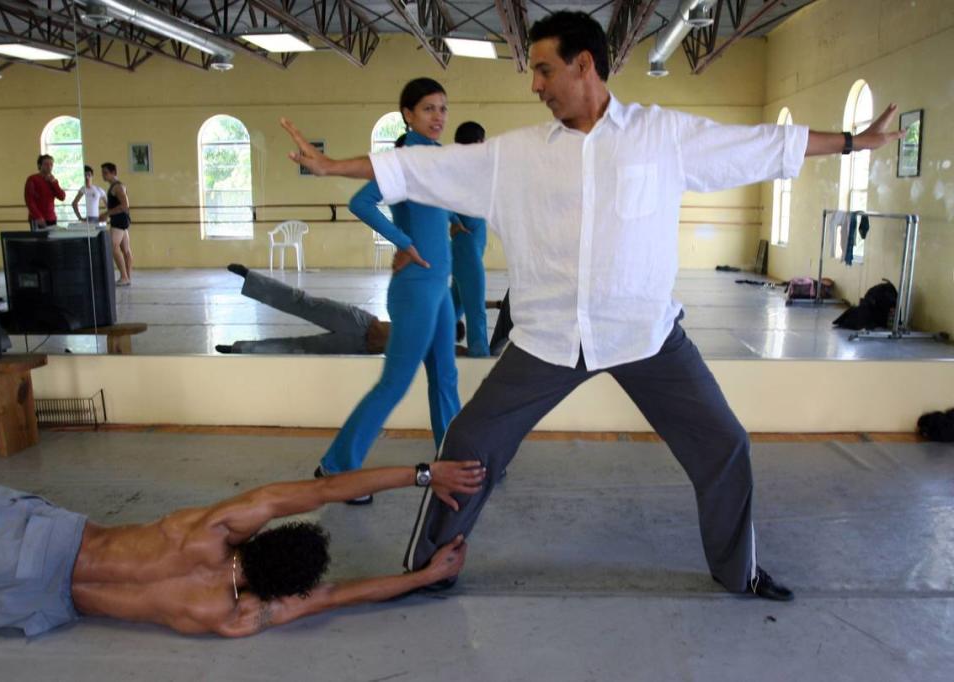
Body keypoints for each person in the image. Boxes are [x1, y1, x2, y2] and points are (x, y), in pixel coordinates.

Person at [279, 11, 905, 601]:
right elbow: (421, 169)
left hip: (645, 335)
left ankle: (737, 572)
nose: (535, 85)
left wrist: (854, 141)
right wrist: (333, 166)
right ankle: (428, 568)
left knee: (724, 445)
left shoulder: (663, 135)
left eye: (544, 69)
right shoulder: (518, 154)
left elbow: (762, 144)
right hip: (547, 338)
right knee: (468, 444)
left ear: (584, 65)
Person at [0, 460, 485, 637]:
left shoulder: (210, 530)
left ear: (269, 536)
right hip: (36, 604)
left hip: (39, 543)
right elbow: (334, 596)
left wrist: (424, 475)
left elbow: (323, 490)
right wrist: (423, 577)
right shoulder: (227, 616)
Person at [309, 78, 462, 506]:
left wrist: (443, 226)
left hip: (439, 286)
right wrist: (403, 241)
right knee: (395, 383)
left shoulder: (436, 159)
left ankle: (453, 458)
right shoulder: (404, 159)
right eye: (429, 109)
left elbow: (436, 210)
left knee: (445, 377)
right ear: (409, 115)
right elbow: (361, 201)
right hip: (415, 289)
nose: (438, 117)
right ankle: (336, 468)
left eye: (443, 109)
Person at [217, 264, 391, 355]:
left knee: (297, 347)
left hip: (361, 347)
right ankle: (250, 278)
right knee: (303, 302)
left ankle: (238, 349)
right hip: (362, 322)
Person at [448, 122, 490, 357]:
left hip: (474, 242)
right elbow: (437, 198)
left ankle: (433, 345)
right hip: (465, 245)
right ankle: (480, 356)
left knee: (456, 304)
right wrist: (453, 220)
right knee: (476, 309)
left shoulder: (477, 170)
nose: (483, 145)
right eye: (481, 140)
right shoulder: (456, 171)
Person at [99, 162, 133, 286]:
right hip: (121, 219)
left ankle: (124, 276)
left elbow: (124, 205)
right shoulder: (114, 186)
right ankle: (127, 277)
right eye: (102, 172)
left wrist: (106, 213)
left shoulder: (117, 187)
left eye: (106, 173)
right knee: (125, 249)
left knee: (113, 247)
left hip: (119, 220)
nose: (103, 175)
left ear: (114, 173)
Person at [24, 154, 66, 231]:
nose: (49, 166)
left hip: (51, 217)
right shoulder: (32, 179)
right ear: (40, 165)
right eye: (46, 164)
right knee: (39, 241)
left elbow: (62, 197)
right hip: (37, 218)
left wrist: (53, 182)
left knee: (52, 241)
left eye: (51, 164)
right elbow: (29, 201)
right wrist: (38, 217)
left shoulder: (53, 181)